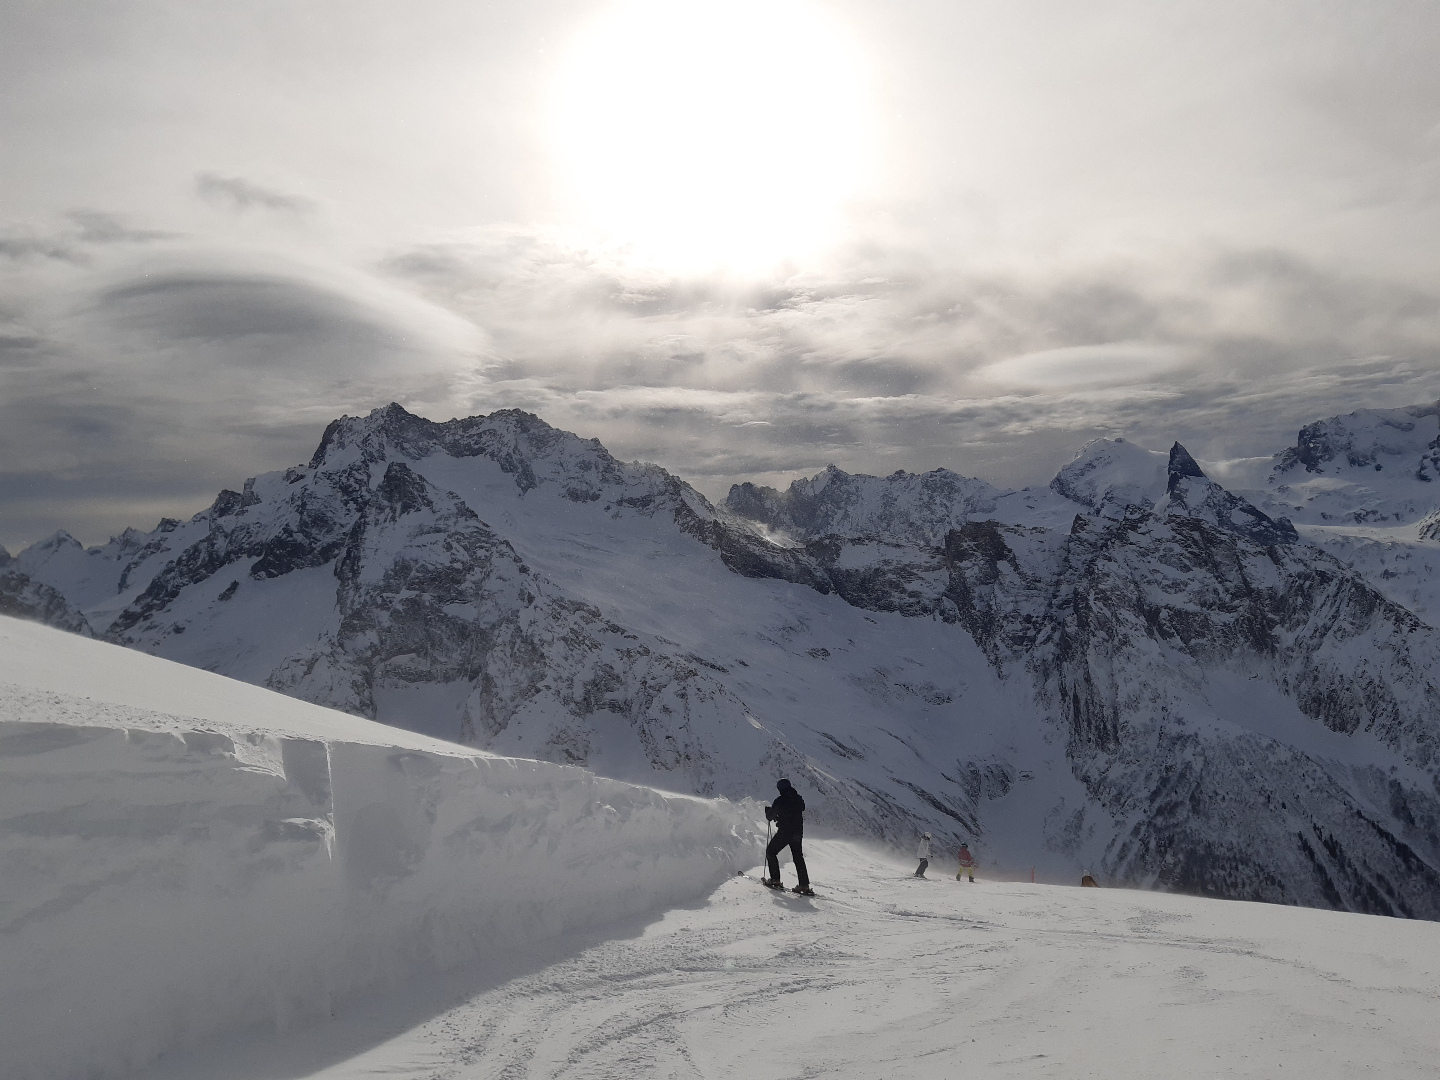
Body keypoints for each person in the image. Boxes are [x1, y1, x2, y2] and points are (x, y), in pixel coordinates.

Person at [764, 778, 813, 896]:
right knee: (798, 857)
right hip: (797, 832)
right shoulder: (798, 799)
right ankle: (804, 885)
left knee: (771, 851)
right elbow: (800, 808)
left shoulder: (780, 801)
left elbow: (770, 816)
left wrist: (769, 812)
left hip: (785, 832)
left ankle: (775, 880)